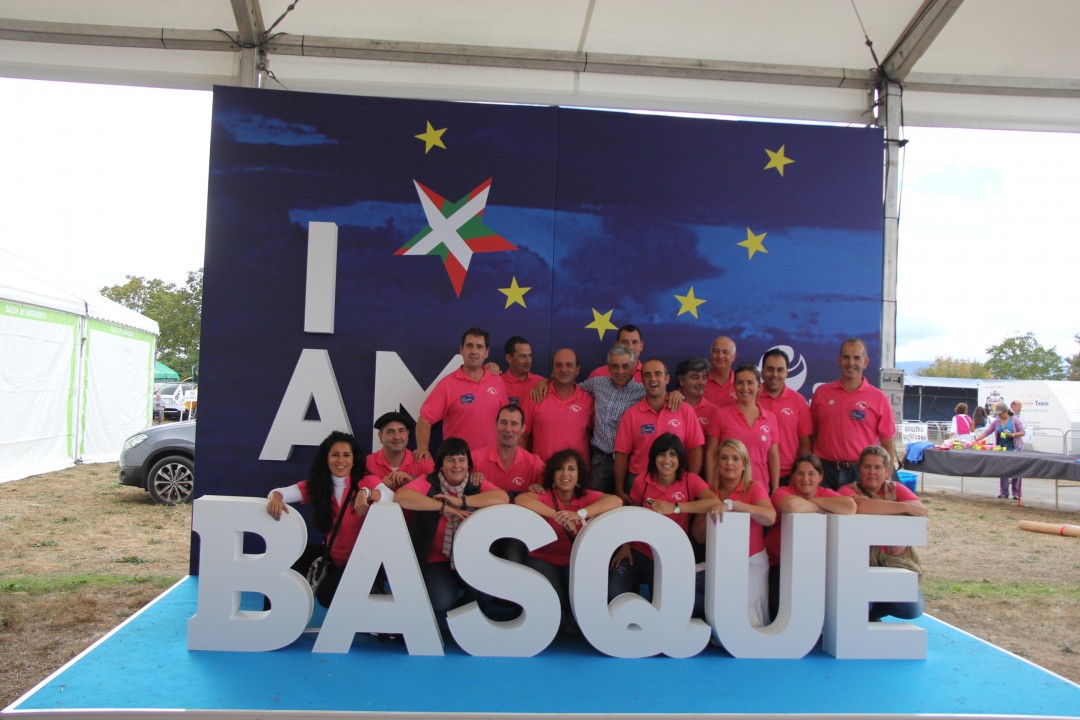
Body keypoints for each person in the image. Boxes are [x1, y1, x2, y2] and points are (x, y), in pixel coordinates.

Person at [393, 437, 510, 641]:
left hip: (469, 558)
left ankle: (460, 617)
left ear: (468, 464)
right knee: (442, 599)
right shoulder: (430, 483)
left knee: (487, 592)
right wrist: (443, 507)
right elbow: (401, 496)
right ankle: (444, 617)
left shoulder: (475, 482)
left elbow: (502, 498)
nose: (457, 466)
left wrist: (460, 501)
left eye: (461, 460)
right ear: (441, 464)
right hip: (435, 558)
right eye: (450, 460)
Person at [265, 431, 392, 606]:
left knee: (326, 596)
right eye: (335, 455)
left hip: (365, 559)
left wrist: (366, 493)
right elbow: (280, 492)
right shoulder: (319, 484)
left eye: (346, 455)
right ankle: (270, 618)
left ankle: (372, 589)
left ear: (354, 459)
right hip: (331, 555)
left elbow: (390, 495)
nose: (341, 460)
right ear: (326, 458)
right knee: (281, 564)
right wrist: (275, 498)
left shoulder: (366, 481)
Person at [610, 433, 721, 617]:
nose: (667, 460)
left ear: (680, 458)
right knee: (614, 592)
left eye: (673, 454)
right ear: (654, 457)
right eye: (662, 454)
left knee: (665, 607)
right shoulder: (642, 481)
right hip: (640, 551)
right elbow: (631, 516)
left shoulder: (690, 480)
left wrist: (676, 507)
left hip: (670, 556)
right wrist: (626, 545)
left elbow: (713, 502)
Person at [514, 449, 622, 634]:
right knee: (553, 597)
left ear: (579, 474)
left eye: (571, 469)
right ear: (552, 474)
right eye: (560, 469)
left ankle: (574, 614)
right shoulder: (545, 494)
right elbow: (521, 499)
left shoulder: (586, 496)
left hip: (575, 561)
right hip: (543, 559)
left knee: (582, 587)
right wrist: (557, 515)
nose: (565, 474)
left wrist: (580, 514)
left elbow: (616, 501)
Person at [692, 438, 776, 627]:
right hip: (719, 562)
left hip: (751, 563)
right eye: (724, 458)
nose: (729, 463)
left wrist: (735, 505)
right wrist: (711, 511)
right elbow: (698, 535)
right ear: (717, 462)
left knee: (744, 618)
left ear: (744, 464)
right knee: (683, 584)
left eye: (735, 458)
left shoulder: (754, 487)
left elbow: (770, 517)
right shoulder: (710, 491)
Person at [838, 445, 928, 621]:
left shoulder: (897, 488)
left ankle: (874, 612)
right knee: (857, 600)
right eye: (867, 467)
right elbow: (859, 506)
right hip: (858, 567)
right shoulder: (847, 490)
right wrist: (903, 508)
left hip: (895, 564)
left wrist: (880, 508)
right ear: (859, 469)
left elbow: (919, 509)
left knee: (912, 608)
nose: (872, 472)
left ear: (887, 471)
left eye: (878, 467)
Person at [764, 453, 856, 619]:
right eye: (800, 473)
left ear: (820, 477)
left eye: (811, 474)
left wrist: (812, 503)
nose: (805, 479)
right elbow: (791, 505)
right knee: (776, 608)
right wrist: (822, 507)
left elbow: (850, 506)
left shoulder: (825, 492)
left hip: (815, 565)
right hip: (780, 563)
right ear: (793, 476)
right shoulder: (784, 491)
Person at [810, 338, 898, 490]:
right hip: (824, 471)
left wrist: (886, 477)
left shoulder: (879, 398)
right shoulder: (822, 393)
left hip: (861, 473)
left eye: (857, 358)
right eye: (846, 357)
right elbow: (811, 435)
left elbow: (887, 442)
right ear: (839, 360)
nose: (851, 363)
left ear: (866, 362)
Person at [614, 358, 704, 503]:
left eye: (657, 374)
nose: (653, 379)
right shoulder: (631, 414)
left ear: (667, 379)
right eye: (647, 375)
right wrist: (619, 489)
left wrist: (690, 482)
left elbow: (695, 449)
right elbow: (621, 454)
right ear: (642, 381)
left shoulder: (685, 410)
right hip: (639, 483)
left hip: (676, 482)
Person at [415, 328, 508, 463]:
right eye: (469, 346)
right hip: (458, 465)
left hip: (492, 462)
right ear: (461, 350)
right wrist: (422, 449)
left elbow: (506, 420)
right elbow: (425, 419)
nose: (474, 351)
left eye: (479, 347)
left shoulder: (497, 381)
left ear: (486, 352)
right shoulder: (447, 384)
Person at [707, 363, 780, 491]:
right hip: (727, 490)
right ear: (734, 387)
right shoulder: (720, 415)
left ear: (759, 387)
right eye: (740, 383)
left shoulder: (770, 418)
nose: (745, 388)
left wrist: (775, 488)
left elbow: (773, 456)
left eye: (750, 382)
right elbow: (711, 453)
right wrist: (710, 487)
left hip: (761, 490)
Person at [521, 348, 594, 464]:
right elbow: (522, 435)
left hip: (577, 473)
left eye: (569, 365)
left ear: (577, 370)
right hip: (541, 471)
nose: (563, 370)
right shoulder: (535, 396)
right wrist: (523, 465)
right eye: (558, 365)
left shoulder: (588, 401)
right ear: (552, 370)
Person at [757, 348, 813, 485]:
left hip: (787, 476)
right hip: (756, 474)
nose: (775, 374)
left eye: (780, 370)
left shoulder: (798, 401)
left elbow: (805, 443)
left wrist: (797, 474)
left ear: (787, 372)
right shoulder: (752, 398)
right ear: (762, 371)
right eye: (770, 369)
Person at [471, 404, 544, 496]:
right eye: (503, 422)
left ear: (523, 428)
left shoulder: (535, 464)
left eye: (514, 424)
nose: (508, 429)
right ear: (496, 425)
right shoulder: (474, 459)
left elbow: (553, 489)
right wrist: (470, 480)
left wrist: (539, 487)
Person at [675, 357, 722, 484]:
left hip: (702, 477)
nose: (701, 382)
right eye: (695, 377)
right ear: (681, 381)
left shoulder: (714, 411)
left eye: (704, 377)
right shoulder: (669, 404)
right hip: (669, 473)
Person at [365, 411, 434, 489]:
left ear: (407, 434)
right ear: (380, 436)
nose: (397, 437)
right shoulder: (368, 463)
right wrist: (379, 486)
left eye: (401, 431)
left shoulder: (423, 461)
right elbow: (358, 493)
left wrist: (412, 481)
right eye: (390, 432)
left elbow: (437, 490)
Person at [972, 402, 1026, 499]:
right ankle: (1004, 492)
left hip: (1014, 449)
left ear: (1005, 411)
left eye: (1000, 413)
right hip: (1001, 449)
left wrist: (1012, 435)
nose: (999, 415)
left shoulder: (1015, 420)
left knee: (1016, 471)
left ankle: (1016, 493)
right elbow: (988, 432)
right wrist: (976, 440)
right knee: (1003, 470)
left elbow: (1022, 432)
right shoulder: (996, 422)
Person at [500, 336, 542, 406]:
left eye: (530, 355)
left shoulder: (540, 382)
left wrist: (546, 381)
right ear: (509, 358)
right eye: (523, 356)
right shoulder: (498, 382)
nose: (528, 361)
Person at [704, 336, 738, 407]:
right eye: (716, 351)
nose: (720, 356)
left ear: (734, 357)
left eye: (725, 352)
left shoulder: (741, 382)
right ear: (711, 355)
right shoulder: (699, 381)